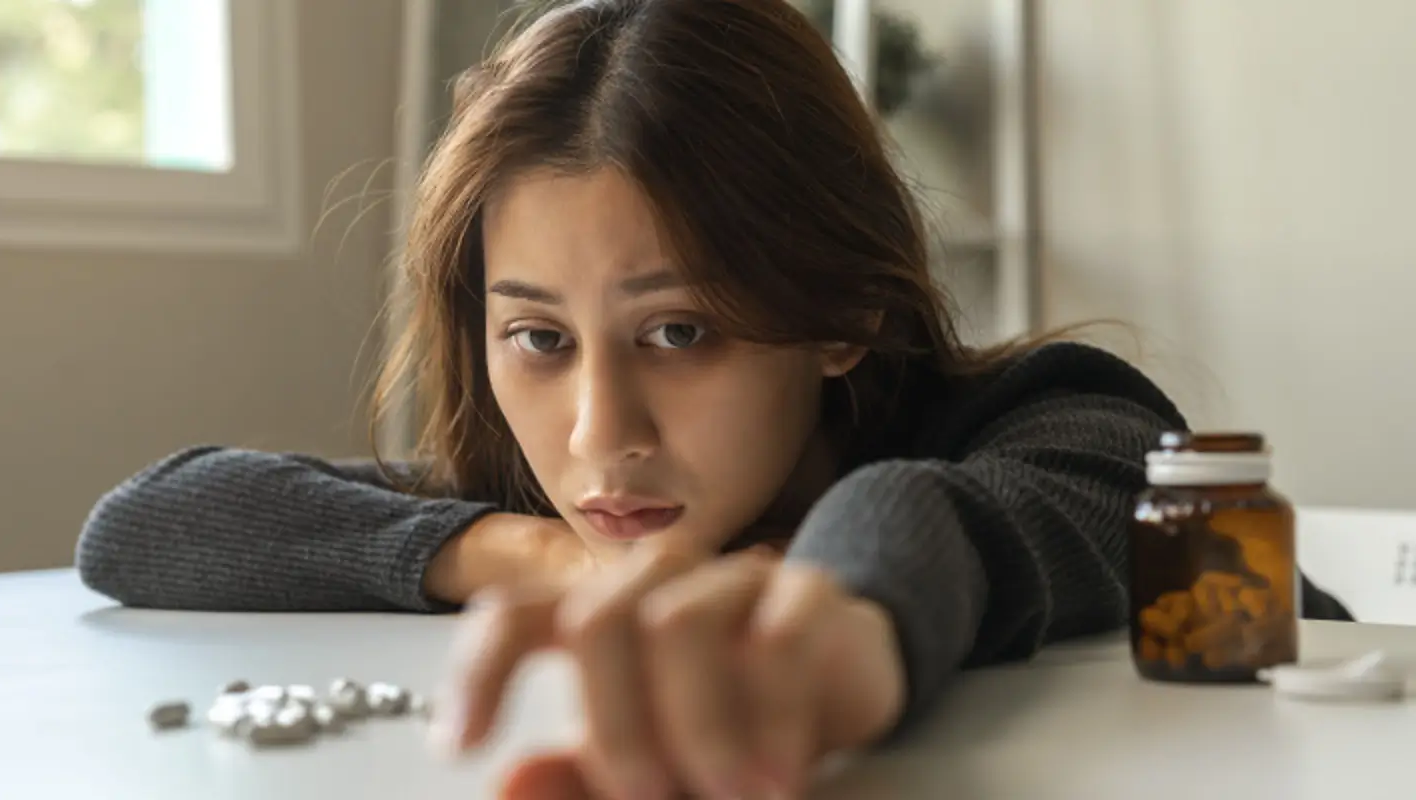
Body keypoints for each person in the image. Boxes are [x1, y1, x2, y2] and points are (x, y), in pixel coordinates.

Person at [75, 1, 1352, 797]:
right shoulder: (566, 504)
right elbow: (146, 520)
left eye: (677, 329)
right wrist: (540, 558)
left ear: (845, 313)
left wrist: (841, 625)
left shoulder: (1065, 419)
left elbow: (951, 514)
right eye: (536, 335)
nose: (596, 433)